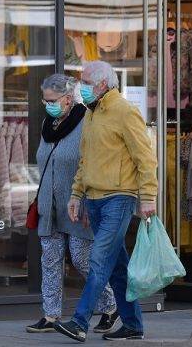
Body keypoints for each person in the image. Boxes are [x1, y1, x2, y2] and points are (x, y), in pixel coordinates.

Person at [54, 61, 158, 342]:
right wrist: (77, 194)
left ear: (101, 84)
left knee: (99, 260)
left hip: (118, 198)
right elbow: (84, 160)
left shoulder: (124, 112)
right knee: (116, 266)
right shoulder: (92, 113)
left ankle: (79, 321)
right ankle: (133, 325)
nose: (81, 87)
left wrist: (148, 195)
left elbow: (145, 158)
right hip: (95, 199)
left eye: (86, 82)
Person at [26, 74, 119, 334]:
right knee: (51, 259)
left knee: (81, 259)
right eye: (45, 100)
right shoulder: (48, 124)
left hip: (77, 203)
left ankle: (110, 305)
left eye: (52, 100)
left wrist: (88, 200)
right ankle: (51, 315)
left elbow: (91, 162)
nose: (48, 104)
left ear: (68, 99)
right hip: (49, 204)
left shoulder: (86, 121)